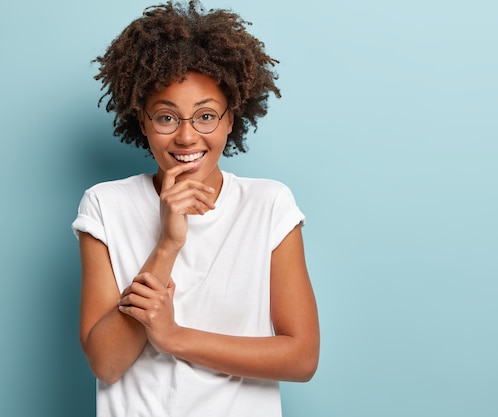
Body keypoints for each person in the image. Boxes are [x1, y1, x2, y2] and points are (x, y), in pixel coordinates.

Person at [72, 1, 319, 416]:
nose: (187, 137)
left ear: (230, 120)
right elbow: (106, 363)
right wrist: (168, 244)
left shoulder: (268, 204)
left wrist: (174, 337)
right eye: (167, 117)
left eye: (206, 116)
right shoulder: (105, 205)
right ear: (143, 121)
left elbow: (301, 358)